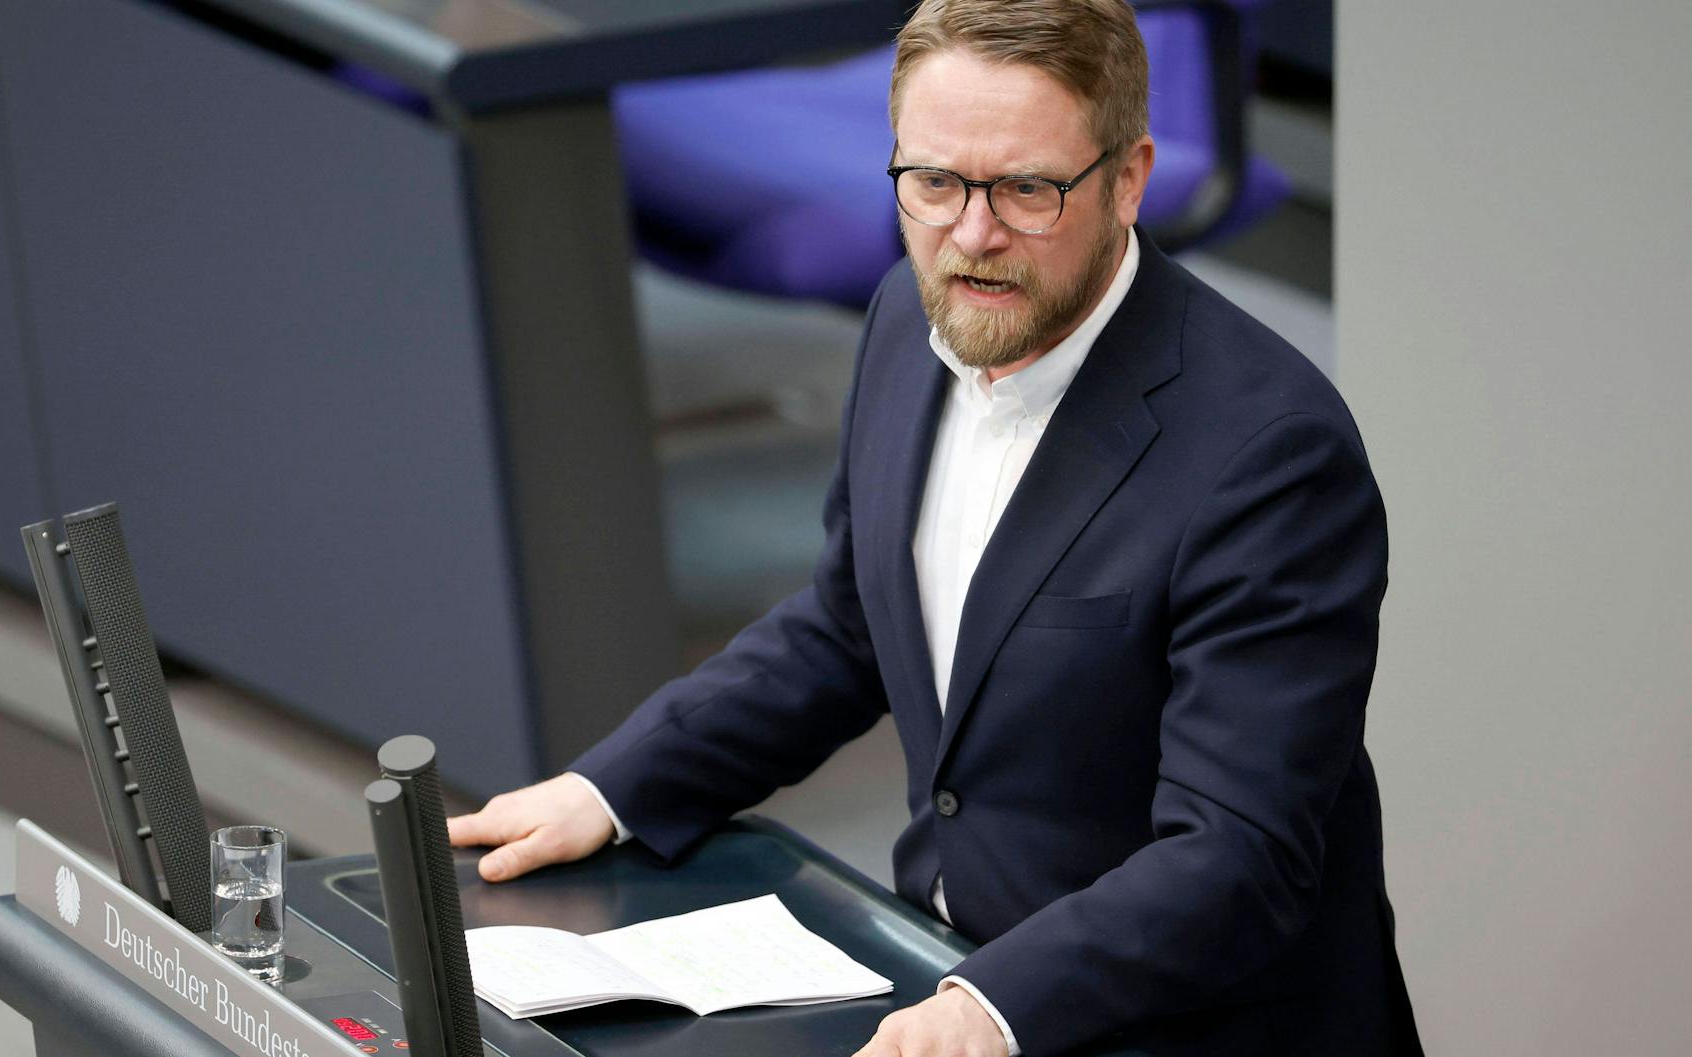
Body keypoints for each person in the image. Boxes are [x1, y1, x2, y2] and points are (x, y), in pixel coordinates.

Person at [451, 2, 1421, 1054]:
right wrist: (614, 785)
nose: (970, 235)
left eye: (1024, 190)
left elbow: (1235, 855)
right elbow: (848, 623)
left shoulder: (1266, 455)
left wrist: (985, 1008)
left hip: (1181, 1023)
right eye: (932, 182)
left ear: (1128, 178)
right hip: (945, 968)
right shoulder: (904, 323)